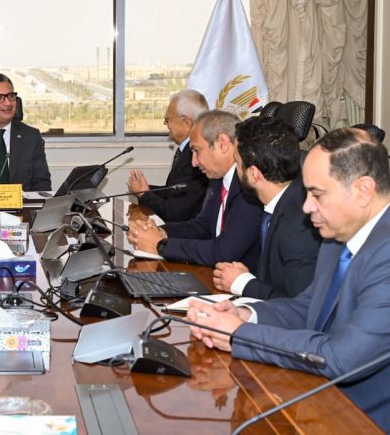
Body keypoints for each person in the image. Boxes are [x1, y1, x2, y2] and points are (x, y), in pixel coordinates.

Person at [187, 128, 390, 431]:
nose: (306, 207)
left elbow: (341, 358)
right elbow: (308, 307)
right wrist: (246, 314)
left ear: (363, 190)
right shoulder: (339, 234)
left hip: (363, 419)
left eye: (317, 194)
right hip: (318, 399)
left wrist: (239, 335)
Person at [127, 110, 264, 267]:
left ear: (222, 144)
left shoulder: (249, 186)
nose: (194, 162)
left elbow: (223, 253)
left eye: (197, 151)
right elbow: (202, 227)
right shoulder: (218, 178)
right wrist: (158, 232)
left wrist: (161, 245)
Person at [212, 116, 321, 299]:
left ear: (253, 174)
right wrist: (248, 277)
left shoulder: (300, 224)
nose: (236, 170)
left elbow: (301, 305)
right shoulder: (283, 202)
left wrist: (244, 284)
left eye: (237, 163)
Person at [127, 89, 209, 221]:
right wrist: (145, 190)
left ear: (187, 123)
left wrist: (145, 194)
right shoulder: (186, 151)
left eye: (167, 119)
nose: (164, 123)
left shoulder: (195, 159)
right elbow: (172, 192)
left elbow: (175, 213)